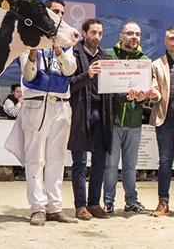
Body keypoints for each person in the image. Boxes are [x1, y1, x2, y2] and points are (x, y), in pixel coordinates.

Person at [13, 0, 78, 226]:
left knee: (57, 158)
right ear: (47, 13)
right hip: (36, 103)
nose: (59, 14)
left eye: (62, 12)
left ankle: (56, 207)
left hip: (61, 103)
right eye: (54, 11)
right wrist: (33, 54)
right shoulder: (31, 39)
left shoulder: (68, 42)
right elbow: (28, 75)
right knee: (35, 158)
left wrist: (58, 49)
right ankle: (37, 208)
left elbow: (70, 69)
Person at [103, 22, 150, 215]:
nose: (134, 37)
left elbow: (147, 90)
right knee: (111, 165)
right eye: (130, 33)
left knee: (130, 166)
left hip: (134, 122)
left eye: (137, 34)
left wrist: (143, 97)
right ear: (121, 36)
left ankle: (131, 201)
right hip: (113, 122)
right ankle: (108, 202)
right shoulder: (108, 55)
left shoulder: (145, 61)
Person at [68, 18, 113, 220]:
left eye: (100, 33)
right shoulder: (73, 53)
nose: (97, 37)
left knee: (100, 161)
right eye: (93, 32)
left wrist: (128, 93)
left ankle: (94, 204)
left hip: (102, 113)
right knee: (79, 161)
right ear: (84, 33)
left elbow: (113, 89)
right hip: (80, 112)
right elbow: (68, 85)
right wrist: (88, 74)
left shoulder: (106, 56)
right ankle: (80, 206)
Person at [147, 26, 174, 217]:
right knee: (165, 162)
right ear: (165, 41)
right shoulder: (156, 64)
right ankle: (163, 202)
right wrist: (154, 95)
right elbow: (155, 88)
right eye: (171, 38)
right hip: (165, 119)